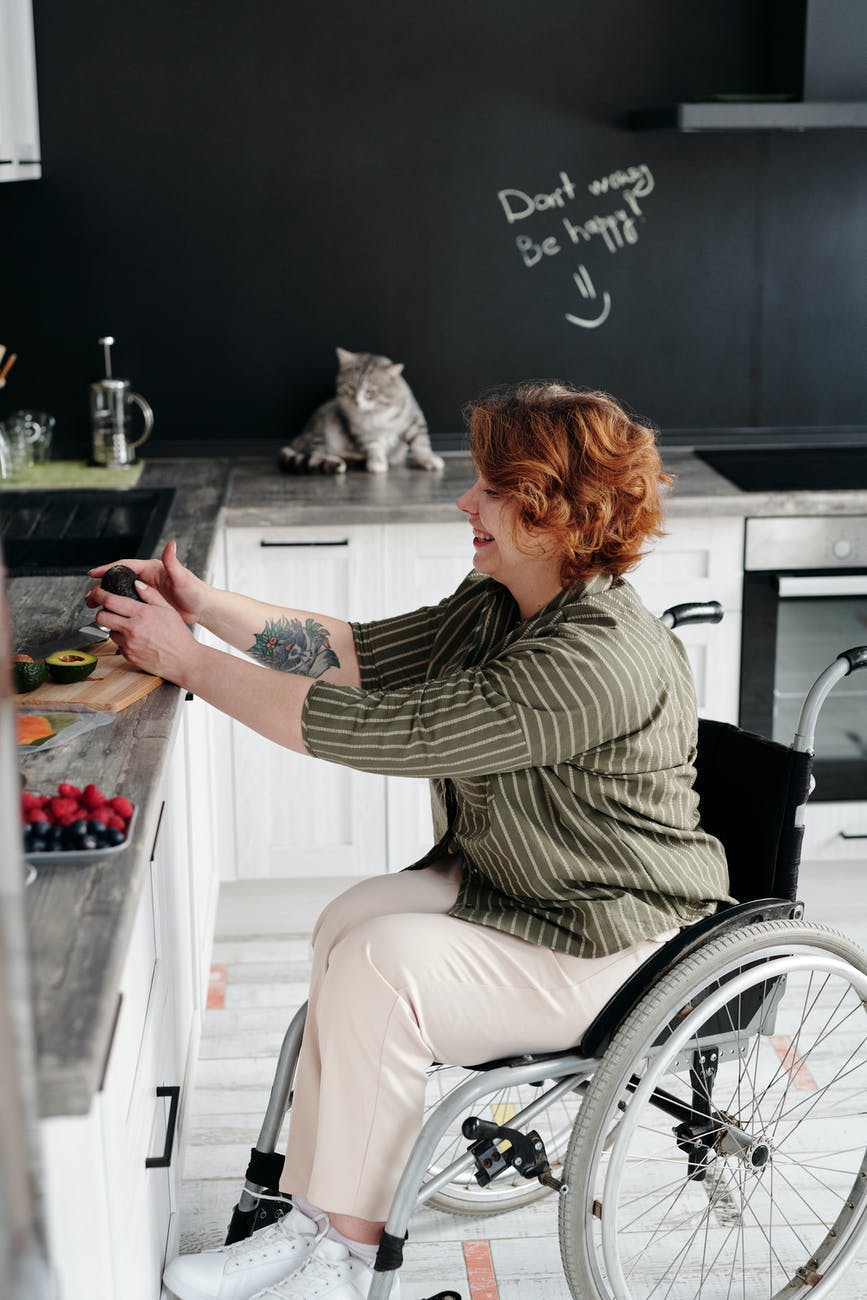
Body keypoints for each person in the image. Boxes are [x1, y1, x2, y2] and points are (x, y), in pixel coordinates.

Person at [87, 382, 730, 1300]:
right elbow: (361, 654)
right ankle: (315, 1219)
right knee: (348, 922)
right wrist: (202, 603)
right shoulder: (503, 597)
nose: (463, 503)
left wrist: (186, 660)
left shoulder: (590, 659)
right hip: (529, 881)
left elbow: (380, 730)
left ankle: (348, 1259)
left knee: (383, 964)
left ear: (554, 512)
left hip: (611, 934)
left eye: (490, 489)